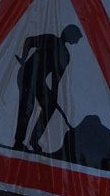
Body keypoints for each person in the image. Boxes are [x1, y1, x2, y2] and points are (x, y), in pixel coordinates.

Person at [13, 24, 83, 152]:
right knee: (27, 106)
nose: (78, 40)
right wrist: (23, 59)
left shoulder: (65, 56)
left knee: (49, 105)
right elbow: (29, 41)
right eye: (77, 36)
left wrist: (53, 97)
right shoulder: (51, 39)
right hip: (27, 75)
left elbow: (56, 79)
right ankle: (18, 142)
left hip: (39, 81)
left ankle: (34, 139)